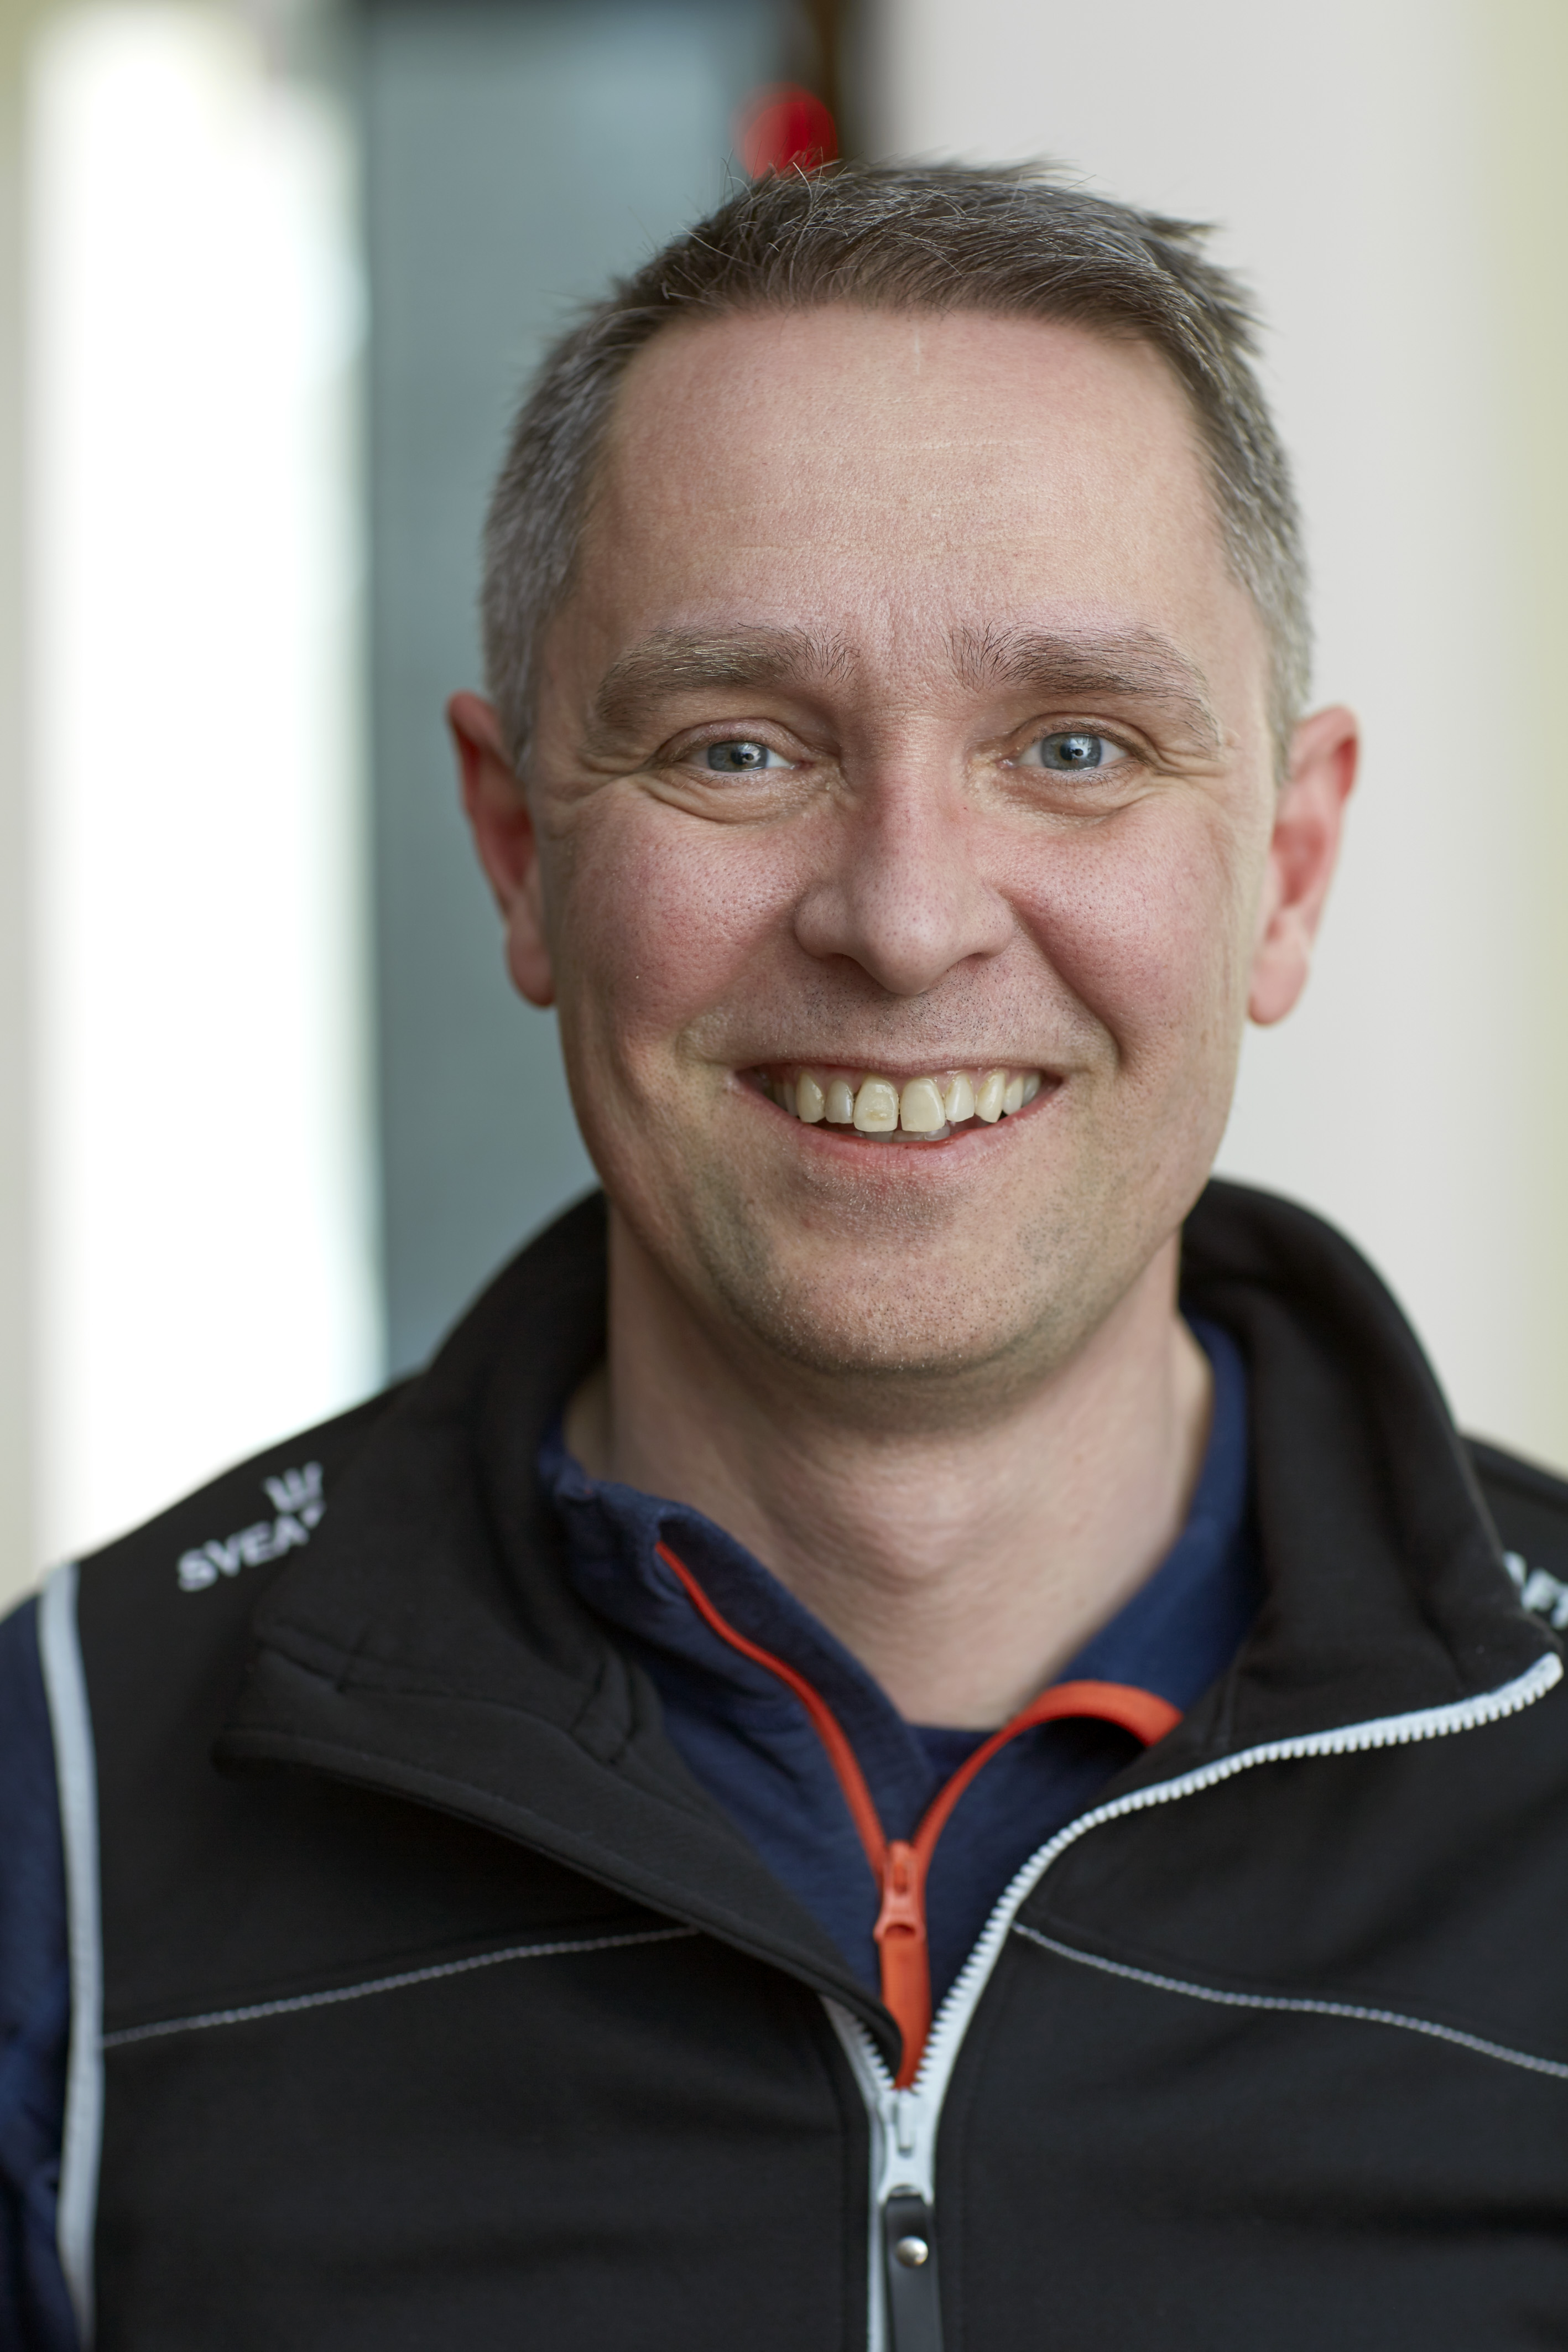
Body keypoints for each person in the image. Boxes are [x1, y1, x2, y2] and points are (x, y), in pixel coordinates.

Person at [4, 161, 1568, 2352]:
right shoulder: (63, 1805)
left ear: (1285, 870)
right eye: (737, 746)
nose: (905, 917)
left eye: (1076, 746)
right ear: (518, 848)